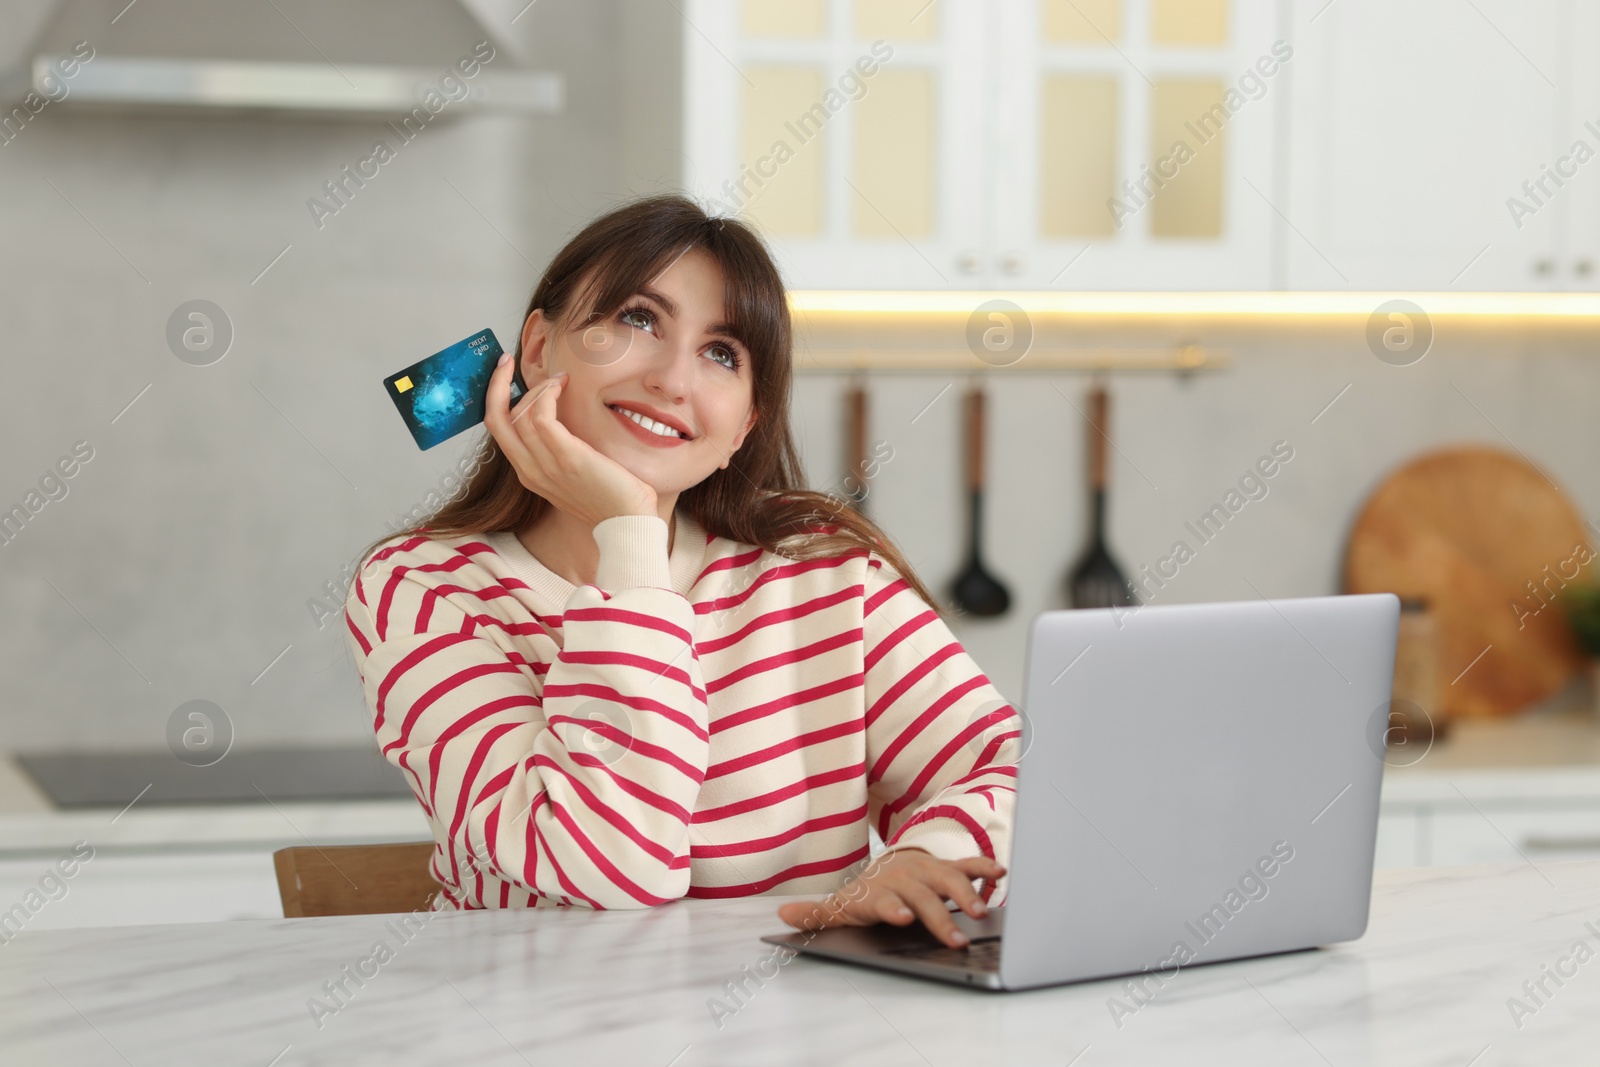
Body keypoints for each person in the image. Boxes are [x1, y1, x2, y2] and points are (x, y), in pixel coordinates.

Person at [344, 195, 1020, 950]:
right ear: (537, 349)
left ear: (744, 427)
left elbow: (1018, 768)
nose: (673, 378)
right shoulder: (424, 588)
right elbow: (611, 869)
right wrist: (629, 536)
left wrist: (926, 857)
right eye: (638, 318)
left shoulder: (823, 572)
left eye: (722, 353)